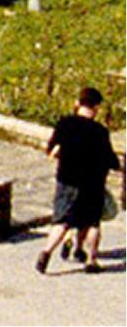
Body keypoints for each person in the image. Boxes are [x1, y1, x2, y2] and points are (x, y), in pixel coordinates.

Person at [36, 85, 122, 275]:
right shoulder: (100, 131)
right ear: (97, 107)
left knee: (61, 221)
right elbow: (111, 160)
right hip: (93, 183)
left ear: (77, 103)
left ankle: (46, 252)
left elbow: (51, 149)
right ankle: (91, 260)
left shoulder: (65, 123)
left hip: (67, 180)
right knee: (92, 223)